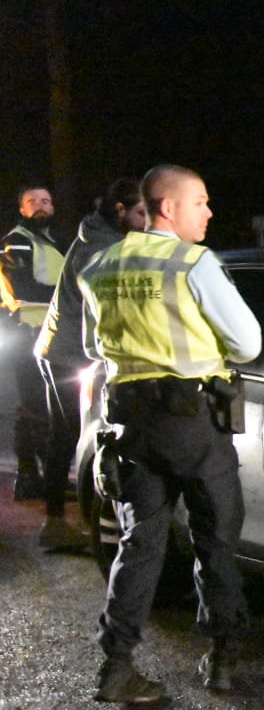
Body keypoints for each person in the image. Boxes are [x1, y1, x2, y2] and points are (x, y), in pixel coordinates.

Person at [79, 165, 260, 704]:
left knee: (138, 545)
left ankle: (116, 665)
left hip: (132, 425)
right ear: (167, 208)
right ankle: (223, 658)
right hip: (193, 423)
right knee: (215, 540)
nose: (209, 212)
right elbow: (247, 342)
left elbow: (95, 347)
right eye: (200, 201)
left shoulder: (101, 265)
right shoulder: (192, 263)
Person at [32, 179, 148, 551]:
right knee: (78, 436)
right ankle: (67, 524)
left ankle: (57, 522)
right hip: (69, 354)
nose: (147, 220)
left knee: (64, 435)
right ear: (120, 210)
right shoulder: (100, 247)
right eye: (141, 212)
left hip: (58, 347)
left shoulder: (99, 236)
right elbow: (100, 312)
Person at [1, 185, 65, 499]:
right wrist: (68, 294)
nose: (40, 206)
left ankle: (41, 474)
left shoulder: (54, 241)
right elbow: (22, 287)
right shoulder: (16, 241)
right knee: (35, 406)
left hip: (53, 333)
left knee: (48, 406)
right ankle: (30, 475)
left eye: (45, 201)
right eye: (32, 202)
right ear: (22, 210)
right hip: (30, 334)